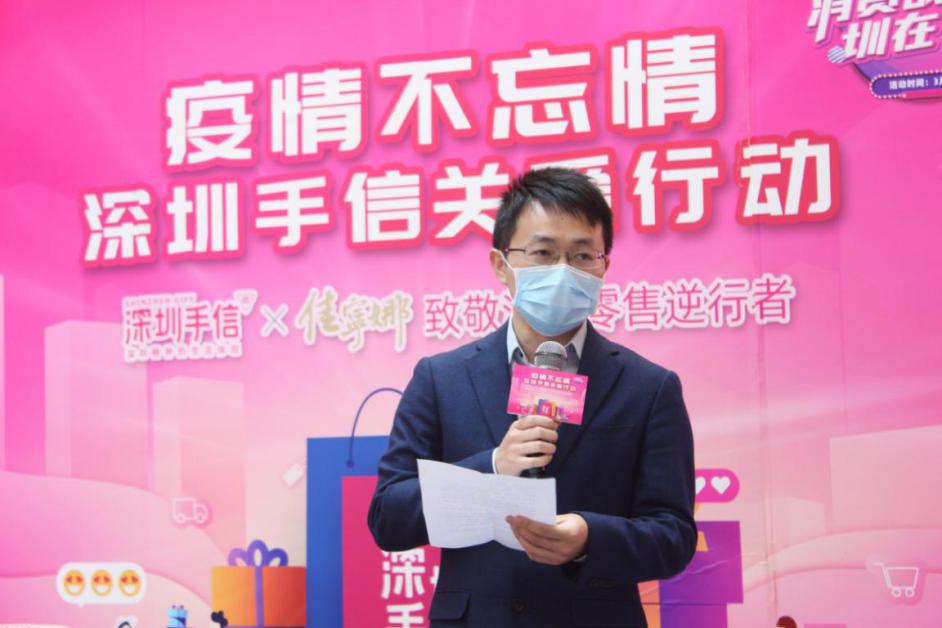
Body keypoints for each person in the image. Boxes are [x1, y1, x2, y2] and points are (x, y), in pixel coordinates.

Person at [368, 167, 697, 627]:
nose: (563, 270)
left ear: (603, 266)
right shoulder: (441, 379)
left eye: (582, 255)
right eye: (543, 252)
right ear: (500, 264)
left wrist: (589, 537)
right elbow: (389, 517)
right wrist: (492, 466)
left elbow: (674, 536)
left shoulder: (649, 387)